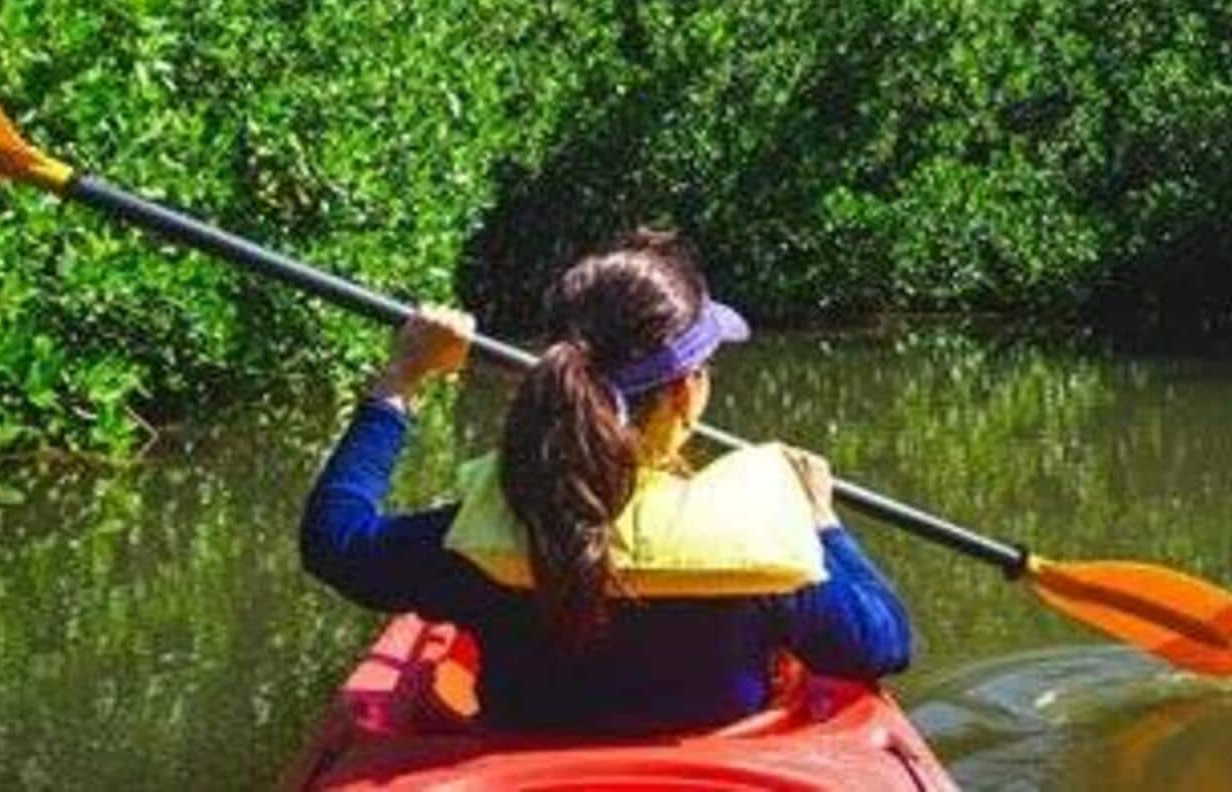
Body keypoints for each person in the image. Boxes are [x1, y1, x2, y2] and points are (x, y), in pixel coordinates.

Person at [301, 230, 910, 734]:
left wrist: (401, 380)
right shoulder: (766, 545)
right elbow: (885, 644)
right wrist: (823, 525)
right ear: (685, 391)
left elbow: (335, 539)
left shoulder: (474, 543)